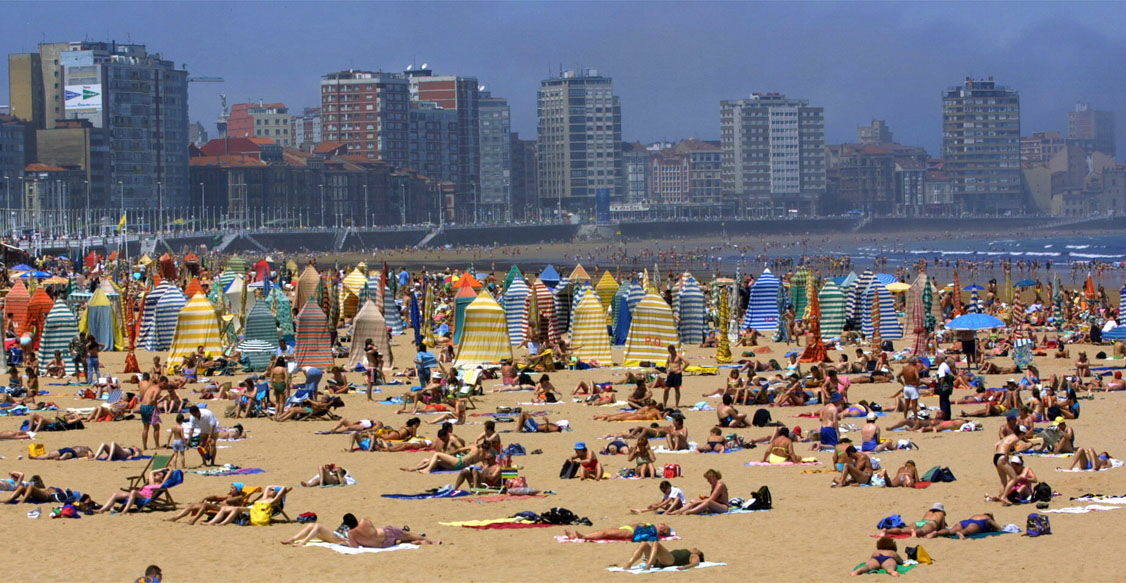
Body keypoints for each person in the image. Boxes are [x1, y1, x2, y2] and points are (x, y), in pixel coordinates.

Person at [280, 513, 439, 547]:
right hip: (386, 534)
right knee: (407, 535)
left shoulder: (351, 532)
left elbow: (354, 547)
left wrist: (344, 540)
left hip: (383, 542)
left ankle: (298, 541)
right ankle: (428, 540)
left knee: (317, 526)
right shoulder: (364, 521)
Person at [620, 542, 705, 571]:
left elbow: (695, 563)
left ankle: (648, 565)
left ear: (699, 554)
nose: (695, 548)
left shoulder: (693, 555)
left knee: (656, 543)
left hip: (671, 561)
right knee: (644, 544)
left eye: (697, 549)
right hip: (658, 561)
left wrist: (684, 567)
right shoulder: (686, 551)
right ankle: (628, 565)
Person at [879, 502, 947, 538]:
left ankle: (886, 531)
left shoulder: (928, 512)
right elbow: (942, 528)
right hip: (931, 523)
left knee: (903, 530)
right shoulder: (941, 513)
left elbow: (923, 521)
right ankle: (915, 533)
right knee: (922, 530)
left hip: (920, 522)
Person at [564, 523, 674, 542]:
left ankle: (584, 536)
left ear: (663, 530)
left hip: (629, 532)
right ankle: (574, 536)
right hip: (626, 528)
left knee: (604, 533)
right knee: (601, 532)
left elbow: (640, 529)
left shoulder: (653, 529)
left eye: (664, 525)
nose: (662, 524)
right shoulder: (653, 527)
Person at [925, 512, 999, 539]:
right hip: (976, 524)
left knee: (950, 531)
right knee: (968, 530)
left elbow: (969, 521)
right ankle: (961, 533)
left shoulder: (976, 515)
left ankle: (937, 533)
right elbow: (995, 525)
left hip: (965, 522)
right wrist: (1000, 528)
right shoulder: (988, 519)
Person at [138, 373, 162, 450]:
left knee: (145, 428)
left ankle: (144, 447)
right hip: (149, 406)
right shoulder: (151, 384)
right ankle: (157, 446)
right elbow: (153, 398)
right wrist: (156, 407)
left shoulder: (140, 383)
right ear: (148, 378)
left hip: (142, 404)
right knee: (156, 427)